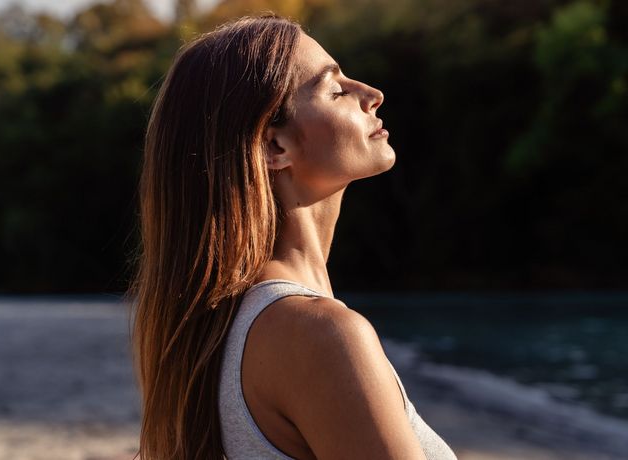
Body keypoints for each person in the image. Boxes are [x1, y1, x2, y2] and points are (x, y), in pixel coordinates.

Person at [128, 14, 457, 460]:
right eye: (336, 89)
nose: (372, 95)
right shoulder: (321, 337)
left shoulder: (214, 333)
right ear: (273, 147)